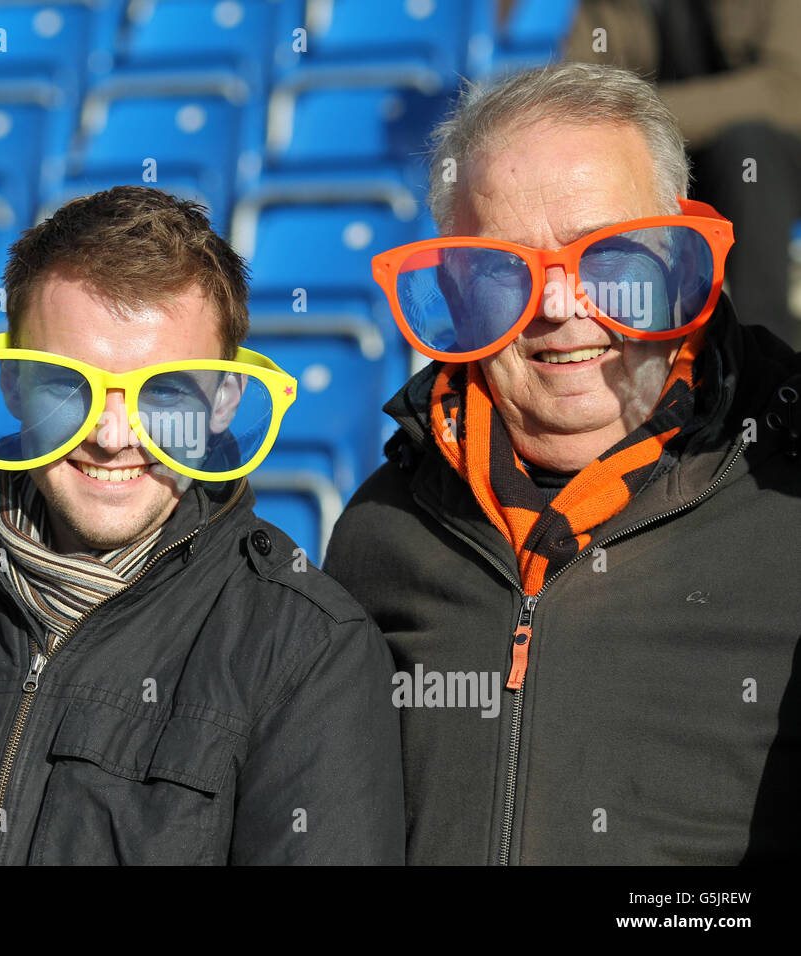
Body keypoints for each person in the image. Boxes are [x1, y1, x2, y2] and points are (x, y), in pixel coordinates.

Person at [0, 186, 405, 866]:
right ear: (12, 385)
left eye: (165, 392)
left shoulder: (308, 651)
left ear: (223, 403)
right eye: (68, 384)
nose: (114, 435)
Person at [324, 62, 801, 864]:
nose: (558, 307)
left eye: (608, 258)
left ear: (679, 254)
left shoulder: (787, 498)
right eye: (503, 271)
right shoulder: (380, 531)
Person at [564, 0, 801, 349]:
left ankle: (766, 347)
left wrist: (644, 112)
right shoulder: (602, 7)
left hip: (770, 163)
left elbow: (786, 91)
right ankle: (621, 338)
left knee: (748, 148)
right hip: (674, 157)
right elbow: (583, 100)